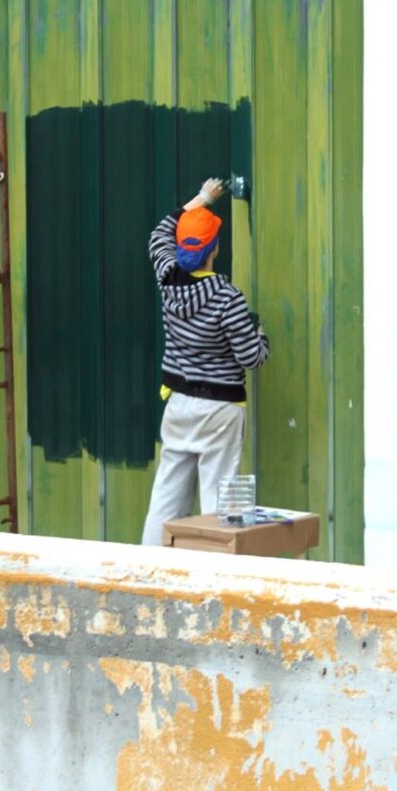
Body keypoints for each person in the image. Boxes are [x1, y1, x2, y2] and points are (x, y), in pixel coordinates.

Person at [141, 178, 269, 544]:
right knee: (217, 496)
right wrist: (260, 336)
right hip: (219, 409)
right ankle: (215, 575)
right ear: (215, 247)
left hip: (179, 404)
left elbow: (158, 234)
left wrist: (201, 199)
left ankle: (150, 568)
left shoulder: (168, 279)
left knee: (166, 497)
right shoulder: (227, 298)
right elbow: (250, 357)